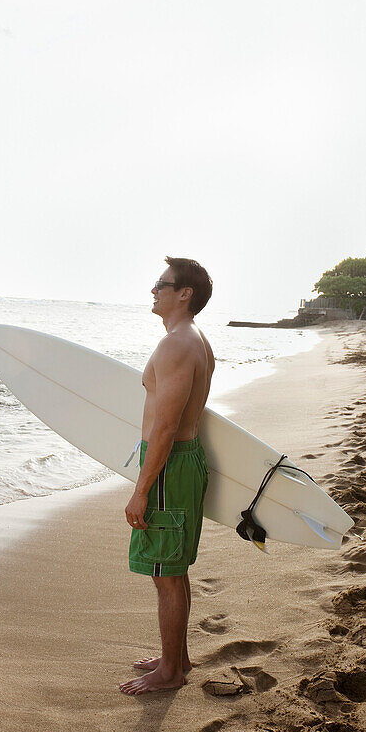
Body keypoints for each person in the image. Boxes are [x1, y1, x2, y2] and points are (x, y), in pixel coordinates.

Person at [120, 257, 214, 696]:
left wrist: (141, 490)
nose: (153, 290)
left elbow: (166, 426)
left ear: (184, 294)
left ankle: (170, 672)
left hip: (168, 464)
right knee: (173, 569)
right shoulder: (194, 340)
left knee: (166, 574)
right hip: (182, 461)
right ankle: (177, 657)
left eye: (162, 284)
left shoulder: (177, 344)